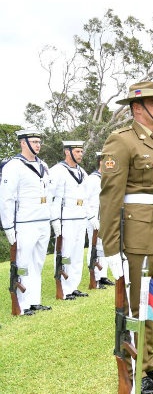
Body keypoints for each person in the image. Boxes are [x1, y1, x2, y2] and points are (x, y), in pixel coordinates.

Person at [100, 81, 153, 394]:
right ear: (138, 107)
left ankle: (148, 363)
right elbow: (110, 198)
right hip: (136, 234)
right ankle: (134, 375)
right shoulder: (120, 141)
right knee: (135, 305)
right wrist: (111, 250)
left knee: (152, 301)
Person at [0, 129, 52, 315]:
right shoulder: (13, 166)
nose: (38, 145)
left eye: (39, 141)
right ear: (23, 143)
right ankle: (21, 304)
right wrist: (8, 227)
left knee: (37, 262)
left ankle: (34, 300)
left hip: (42, 220)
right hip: (24, 222)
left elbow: (49, 194)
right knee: (22, 263)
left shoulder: (43, 165)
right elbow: (7, 198)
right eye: (34, 141)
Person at [49, 140, 91, 300]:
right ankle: (63, 287)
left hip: (80, 217)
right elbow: (53, 197)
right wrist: (55, 220)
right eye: (77, 151)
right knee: (64, 253)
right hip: (65, 219)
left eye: (81, 151)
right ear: (68, 152)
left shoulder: (82, 172)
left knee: (77, 253)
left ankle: (73, 285)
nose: (81, 154)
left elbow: (86, 196)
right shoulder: (58, 171)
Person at [85, 152, 113, 289]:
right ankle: (94, 276)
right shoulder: (92, 179)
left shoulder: (109, 179)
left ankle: (102, 275)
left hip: (106, 218)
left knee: (105, 248)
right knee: (94, 246)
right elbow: (85, 200)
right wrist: (91, 217)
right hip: (94, 219)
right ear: (100, 162)